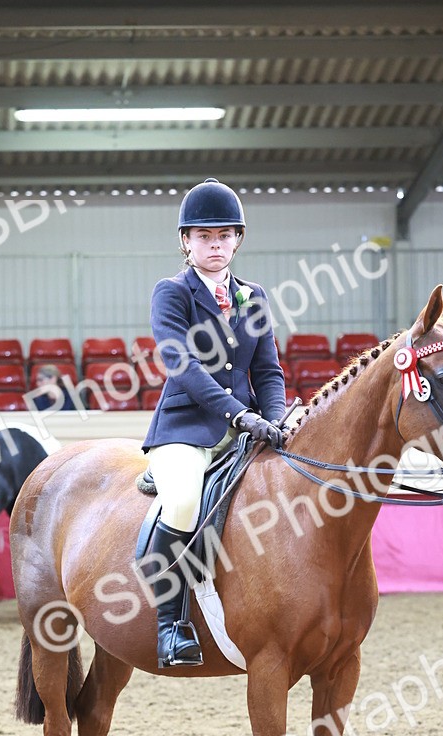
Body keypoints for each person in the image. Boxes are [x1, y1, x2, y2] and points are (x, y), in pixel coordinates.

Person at [141, 177, 286, 669]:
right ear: (186, 241)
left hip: (247, 427)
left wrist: (277, 419)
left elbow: (267, 371)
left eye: (224, 235)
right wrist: (239, 414)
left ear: (237, 239)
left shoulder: (255, 297)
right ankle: (171, 624)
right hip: (186, 429)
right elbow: (182, 365)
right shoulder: (172, 293)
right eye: (204, 236)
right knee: (182, 503)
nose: (215, 245)